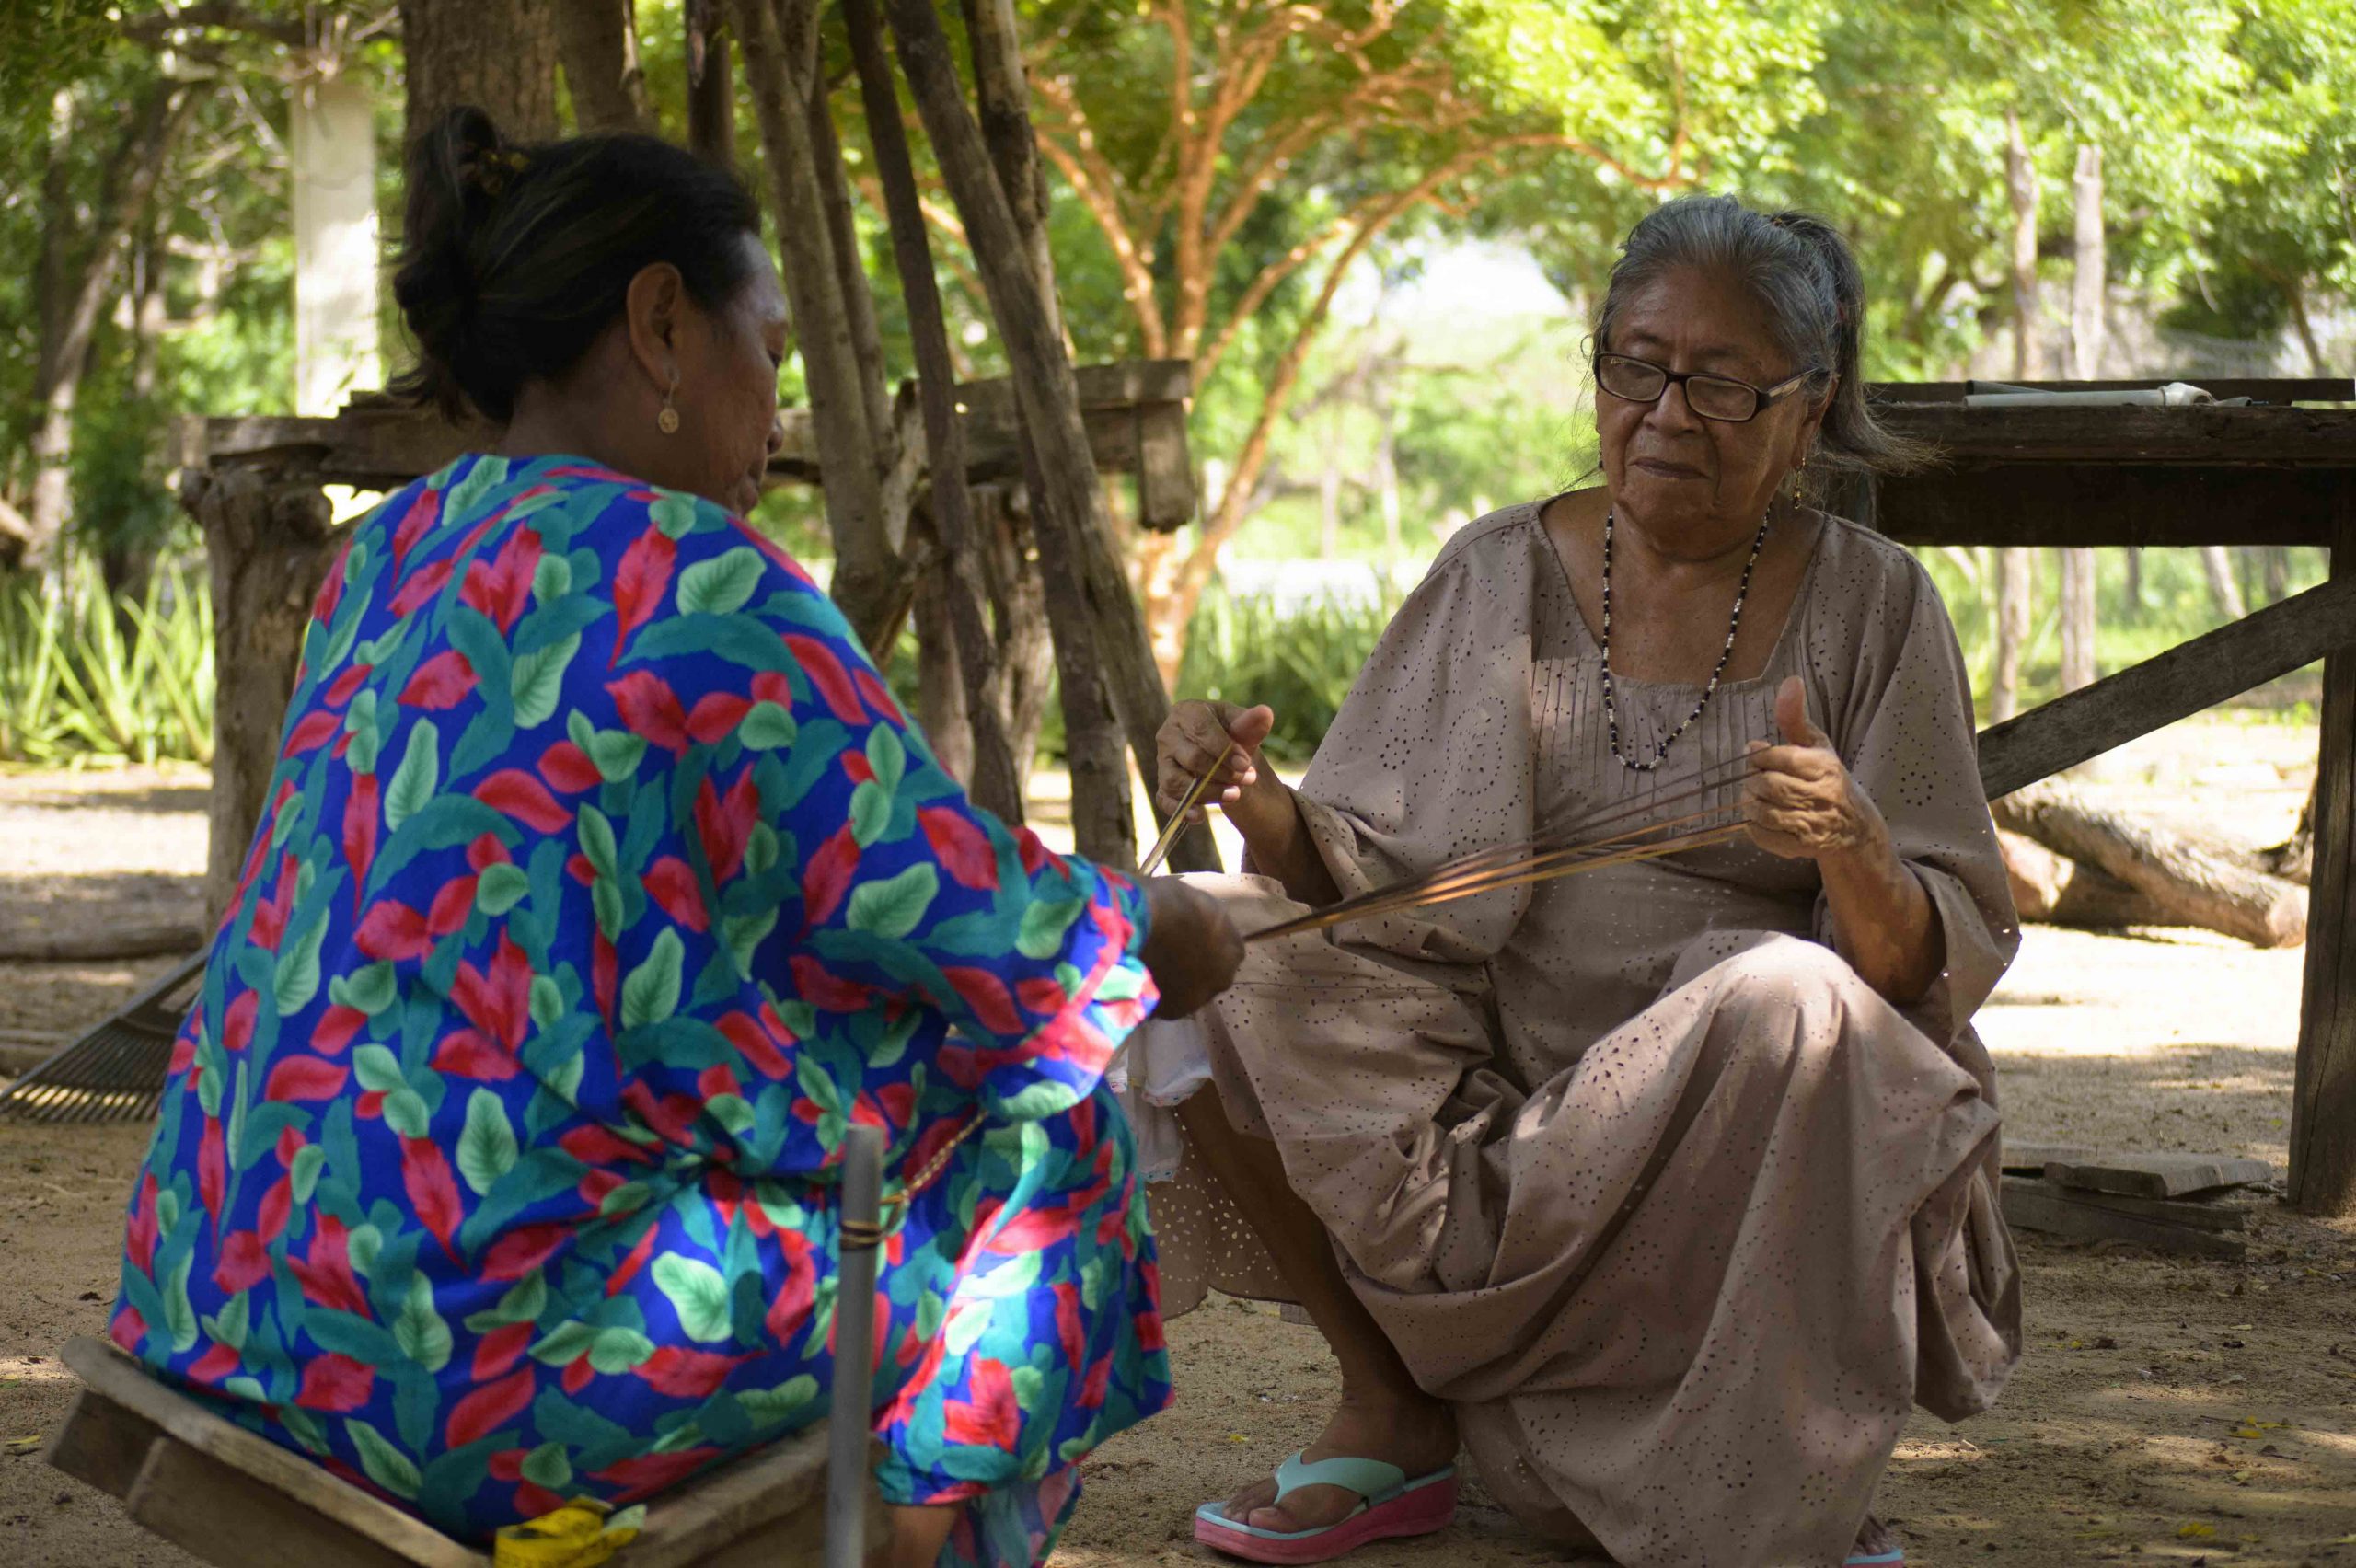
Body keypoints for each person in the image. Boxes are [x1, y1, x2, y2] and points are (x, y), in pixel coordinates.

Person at [110, 107, 1242, 1568]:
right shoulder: (706, 586)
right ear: (659, 324)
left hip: (225, 1293)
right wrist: (1169, 931)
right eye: (763, 348)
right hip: (469, 1367)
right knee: (1058, 1127)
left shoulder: (386, 556)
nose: (775, 409)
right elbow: (997, 943)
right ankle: (917, 1544)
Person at [1149, 196, 2021, 1568]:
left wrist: (1853, 842)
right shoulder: (1495, 574)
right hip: (1494, 1099)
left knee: (1798, 997)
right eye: (1638, 365)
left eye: (1723, 382)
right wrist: (1261, 811)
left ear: (1810, 408)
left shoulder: (1877, 605)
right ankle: (1393, 1410)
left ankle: (1763, 1481)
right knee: (1197, 952)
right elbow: (1373, 883)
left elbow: (1929, 965)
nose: (1668, 410)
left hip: (1734, 1134)